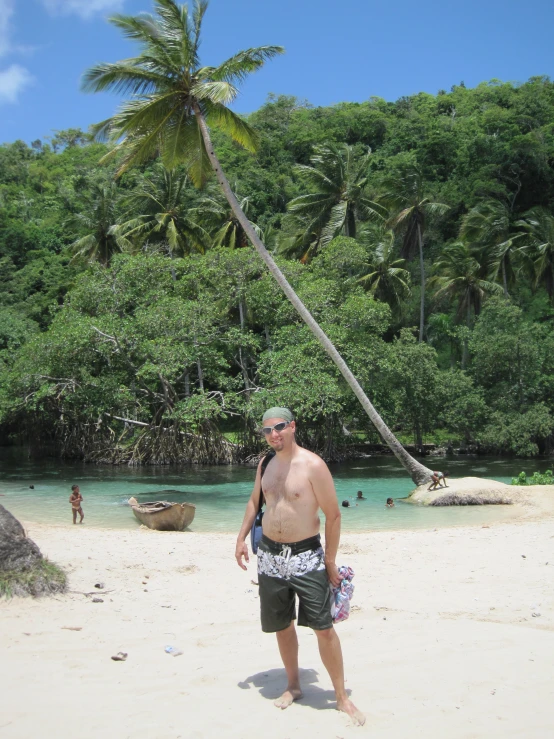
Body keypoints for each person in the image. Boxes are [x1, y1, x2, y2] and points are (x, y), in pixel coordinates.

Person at [235, 407, 365, 726]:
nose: (273, 435)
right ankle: (293, 686)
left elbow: (333, 516)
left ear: (292, 427)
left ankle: (341, 696)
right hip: (269, 556)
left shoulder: (313, 465)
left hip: (307, 556)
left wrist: (330, 562)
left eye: (279, 427)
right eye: (267, 431)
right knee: (281, 624)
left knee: (323, 627)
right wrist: (240, 538)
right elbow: (255, 501)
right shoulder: (265, 463)